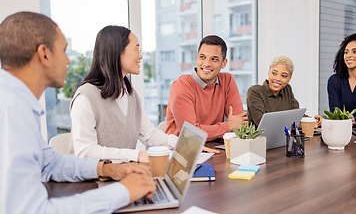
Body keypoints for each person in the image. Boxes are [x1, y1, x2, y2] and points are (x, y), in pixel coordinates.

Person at [0, 12, 156, 213]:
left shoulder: (16, 101)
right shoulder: (11, 112)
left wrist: (105, 168)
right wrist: (123, 192)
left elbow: (49, 163)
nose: (68, 60)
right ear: (44, 54)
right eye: (64, 51)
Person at [70, 25, 178, 163]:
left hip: (124, 175)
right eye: (136, 49)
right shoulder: (85, 98)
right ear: (116, 51)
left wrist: (183, 145)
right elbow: (85, 152)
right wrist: (136, 155)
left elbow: (149, 134)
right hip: (94, 181)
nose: (140, 56)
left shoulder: (130, 94)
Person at [165, 35, 248, 141]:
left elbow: (240, 124)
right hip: (182, 152)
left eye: (214, 59)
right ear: (197, 58)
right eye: (202, 57)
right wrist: (229, 126)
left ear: (224, 63)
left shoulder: (227, 80)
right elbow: (190, 135)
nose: (207, 64)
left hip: (214, 148)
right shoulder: (181, 86)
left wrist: (231, 125)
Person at [247, 56, 321, 127]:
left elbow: (296, 115)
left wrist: (313, 121)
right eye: (274, 73)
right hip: (260, 139)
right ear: (268, 73)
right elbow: (263, 124)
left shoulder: (287, 90)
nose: (278, 78)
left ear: (289, 79)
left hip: (283, 138)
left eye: (284, 76)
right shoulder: (255, 92)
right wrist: (306, 125)